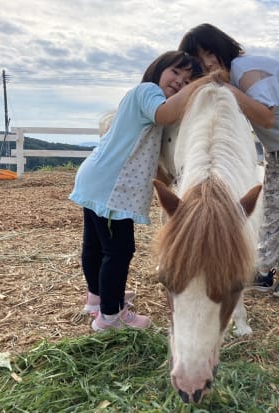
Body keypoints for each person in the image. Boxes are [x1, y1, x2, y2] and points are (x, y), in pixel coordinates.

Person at [179, 24, 279, 302]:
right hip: (278, 144)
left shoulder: (247, 71)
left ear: (222, 48)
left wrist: (225, 87)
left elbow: (266, 117)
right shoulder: (233, 78)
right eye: (199, 60)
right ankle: (264, 268)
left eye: (209, 53)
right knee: (274, 204)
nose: (207, 63)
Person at [69, 51, 203, 331]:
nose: (180, 82)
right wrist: (200, 85)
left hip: (97, 177)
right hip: (112, 187)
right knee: (118, 251)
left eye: (188, 78)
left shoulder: (141, 99)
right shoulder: (148, 92)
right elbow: (165, 113)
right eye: (176, 73)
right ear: (158, 69)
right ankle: (111, 316)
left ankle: (97, 298)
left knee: (94, 246)